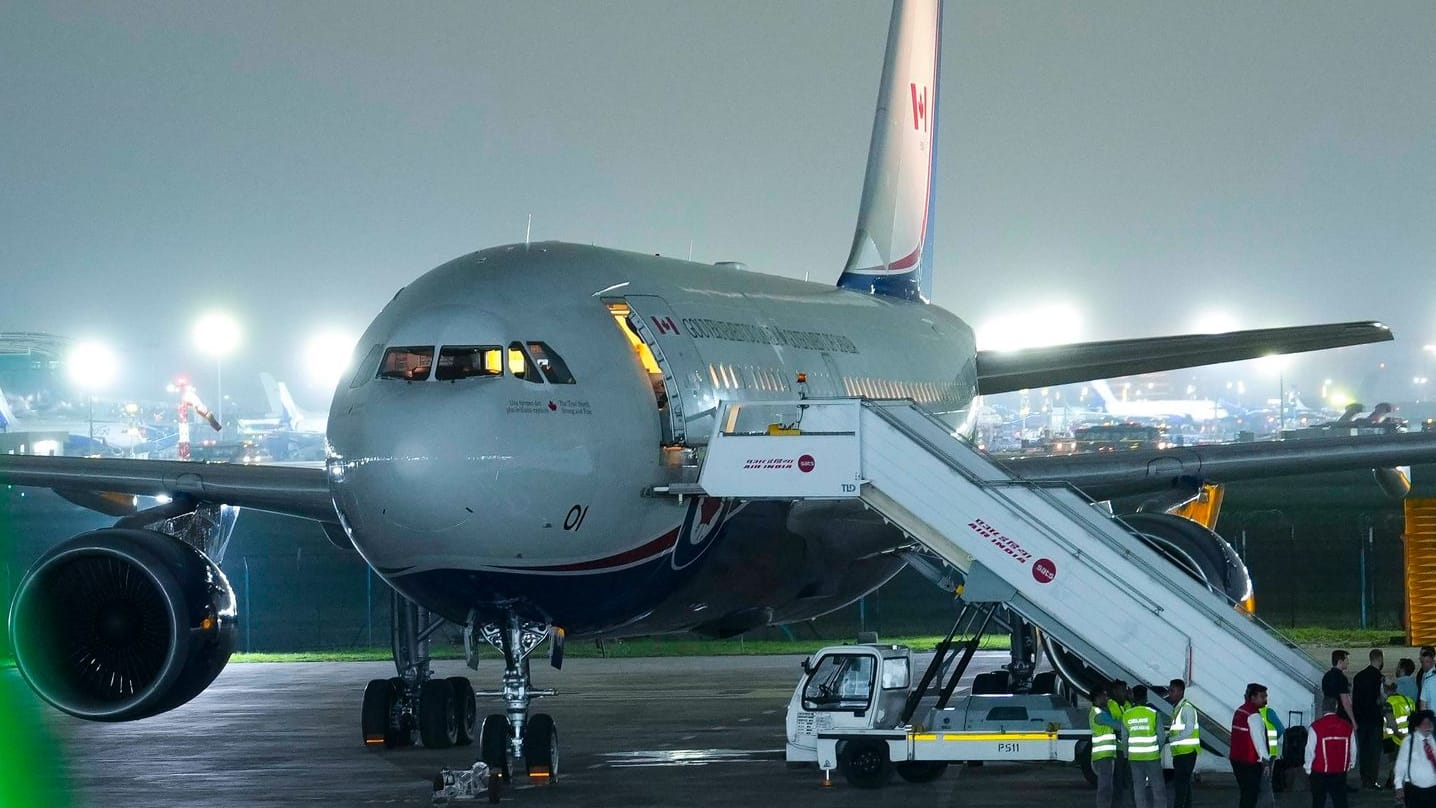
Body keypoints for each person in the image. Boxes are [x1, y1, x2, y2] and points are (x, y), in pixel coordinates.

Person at [1305, 696, 1356, 807]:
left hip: (1319, 771)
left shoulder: (1315, 727)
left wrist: (1308, 768)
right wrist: (1350, 764)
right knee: (1340, 801)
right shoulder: (1347, 727)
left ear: (1323, 708)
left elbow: (1310, 750)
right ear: (1336, 707)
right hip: (1339, 771)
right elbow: (1353, 748)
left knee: (1318, 802)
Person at [1232, 683, 1275, 808]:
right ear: (1253, 697)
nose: (1265, 700)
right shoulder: (1254, 715)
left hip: (1236, 759)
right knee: (1251, 796)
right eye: (1263, 697)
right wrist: (1265, 762)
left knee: (1245, 794)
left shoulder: (1240, 711)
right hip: (1249, 762)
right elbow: (1259, 740)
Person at [1123, 685, 1165, 808]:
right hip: (1152, 757)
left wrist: (1126, 755)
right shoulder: (1153, 713)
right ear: (1146, 697)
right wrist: (1157, 749)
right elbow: (1161, 737)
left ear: (1134, 697)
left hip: (1135, 758)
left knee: (1139, 789)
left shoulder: (1127, 714)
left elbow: (1125, 738)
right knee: (1158, 790)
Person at [1353, 649, 1386, 788]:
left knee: (1364, 752)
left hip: (1361, 719)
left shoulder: (1358, 677)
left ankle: (1364, 779)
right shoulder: (1380, 678)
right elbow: (1381, 699)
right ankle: (1372, 781)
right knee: (1374, 752)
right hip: (1375, 719)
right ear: (1380, 659)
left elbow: (1355, 699)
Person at [1165, 678, 1199, 808]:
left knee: (1180, 787)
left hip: (1186, 753)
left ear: (1180, 691)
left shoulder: (1186, 709)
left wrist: (1171, 739)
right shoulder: (1179, 708)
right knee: (1184, 786)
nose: (1169, 693)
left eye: (1172, 690)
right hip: (1181, 753)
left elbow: (1189, 730)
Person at [1090, 684, 1123, 808]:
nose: (1107, 698)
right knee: (1105, 787)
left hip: (1105, 755)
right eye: (1104, 695)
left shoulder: (1101, 712)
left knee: (1107, 786)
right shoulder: (1099, 714)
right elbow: (1116, 725)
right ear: (1098, 697)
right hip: (1103, 756)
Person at [1395, 709, 1436, 807]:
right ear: (1417, 727)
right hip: (1414, 791)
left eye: (1430, 723)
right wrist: (1399, 786)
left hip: (1433, 791)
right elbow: (1400, 764)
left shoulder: (1434, 741)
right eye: (1424, 724)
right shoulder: (1409, 741)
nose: (1428, 726)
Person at [1387, 677, 1418, 788]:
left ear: (1385, 689)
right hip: (1407, 737)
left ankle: (1397, 788)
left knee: (1394, 763)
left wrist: (1399, 735)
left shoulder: (1388, 703)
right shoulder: (1409, 700)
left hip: (1393, 738)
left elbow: (1391, 723)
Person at [1325, 650, 1354, 724]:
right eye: (1346, 660)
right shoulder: (1342, 678)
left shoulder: (1326, 676)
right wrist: (1353, 721)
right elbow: (1345, 702)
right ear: (1340, 661)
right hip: (1342, 716)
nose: (1348, 663)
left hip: (1328, 715)